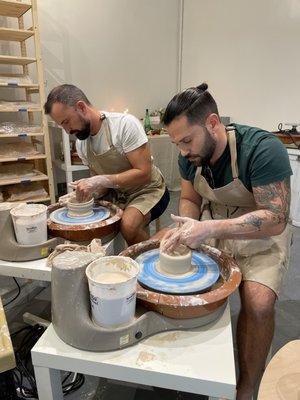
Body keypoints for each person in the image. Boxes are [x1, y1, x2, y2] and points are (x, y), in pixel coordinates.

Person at [160, 83, 292, 400]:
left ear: (213, 123)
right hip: (213, 221)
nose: (183, 151)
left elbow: (275, 217)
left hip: (258, 227)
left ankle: (246, 387)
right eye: (177, 143)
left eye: (187, 141)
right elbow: (190, 198)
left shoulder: (262, 148)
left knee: (258, 303)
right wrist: (188, 224)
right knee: (191, 286)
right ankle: (196, 369)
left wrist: (208, 229)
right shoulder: (189, 155)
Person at [44, 84, 169, 245]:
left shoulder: (124, 125)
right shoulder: (82, 145)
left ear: (81, 107)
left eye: (67, 121)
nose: (67, 130)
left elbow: (143, 174)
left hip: (149, 189)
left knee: (128, 226)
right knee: (89, 224)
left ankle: (151, 257)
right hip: (119, 192)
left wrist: (101, 181)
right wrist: (88, 192)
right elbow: (103, 184)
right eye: (62, 125)